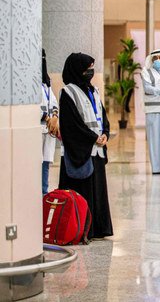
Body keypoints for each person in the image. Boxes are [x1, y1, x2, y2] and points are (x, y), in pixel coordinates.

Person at [58, 53, 113, 239]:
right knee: (83, 190)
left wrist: (105, 132)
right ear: (77, 69)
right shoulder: (68, 92)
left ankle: (98, 228)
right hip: (81, 150)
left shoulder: (94, 90)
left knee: (98, 191)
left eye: (92, 67)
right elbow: (71, 124)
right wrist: (92, 138)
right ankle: (82, 229)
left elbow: (102, 116)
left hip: (96, 149)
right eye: (87, 67)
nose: (90, 71)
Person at [41, 49, 59, 195]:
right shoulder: (30, 82)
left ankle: (44, 193)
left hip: (48, 130)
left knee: (46, 163)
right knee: (38, 163)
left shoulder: (46, 82)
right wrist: (47, 119)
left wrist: (54, 116)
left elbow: (53, 101)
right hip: (39, 128)